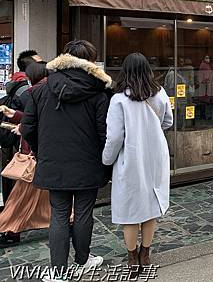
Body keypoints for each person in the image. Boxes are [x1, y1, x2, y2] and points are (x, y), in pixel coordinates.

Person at [21, 40, 111, 280]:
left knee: (59, 215)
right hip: (89, 164)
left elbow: (27, 128)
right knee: (83, 213)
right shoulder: (98, 93)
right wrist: (106, 162)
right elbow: (104, 133)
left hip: (54, 163)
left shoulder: (41, 90)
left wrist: (43, 152)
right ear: (90, 62)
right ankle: (83, 261)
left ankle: (58, 272)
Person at [102, 53, 173, 272]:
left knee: (130, 210)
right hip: (156, 156)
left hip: (130, 159)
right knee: (151, 207)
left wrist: (106, 159)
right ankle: (146, 253)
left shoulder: (118, 100)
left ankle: (132, 258)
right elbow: (168, 122)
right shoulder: (160, 93)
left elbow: (114, 137)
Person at [0, 62, 50, 248]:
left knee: (19, 198)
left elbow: (35, 122)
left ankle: (10, 230)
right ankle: (69, 222)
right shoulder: (45, 93)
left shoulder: (35, 93)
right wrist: (15, 115)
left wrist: (23, 127)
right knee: (49, 196)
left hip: (33, 154)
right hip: (43, 155)